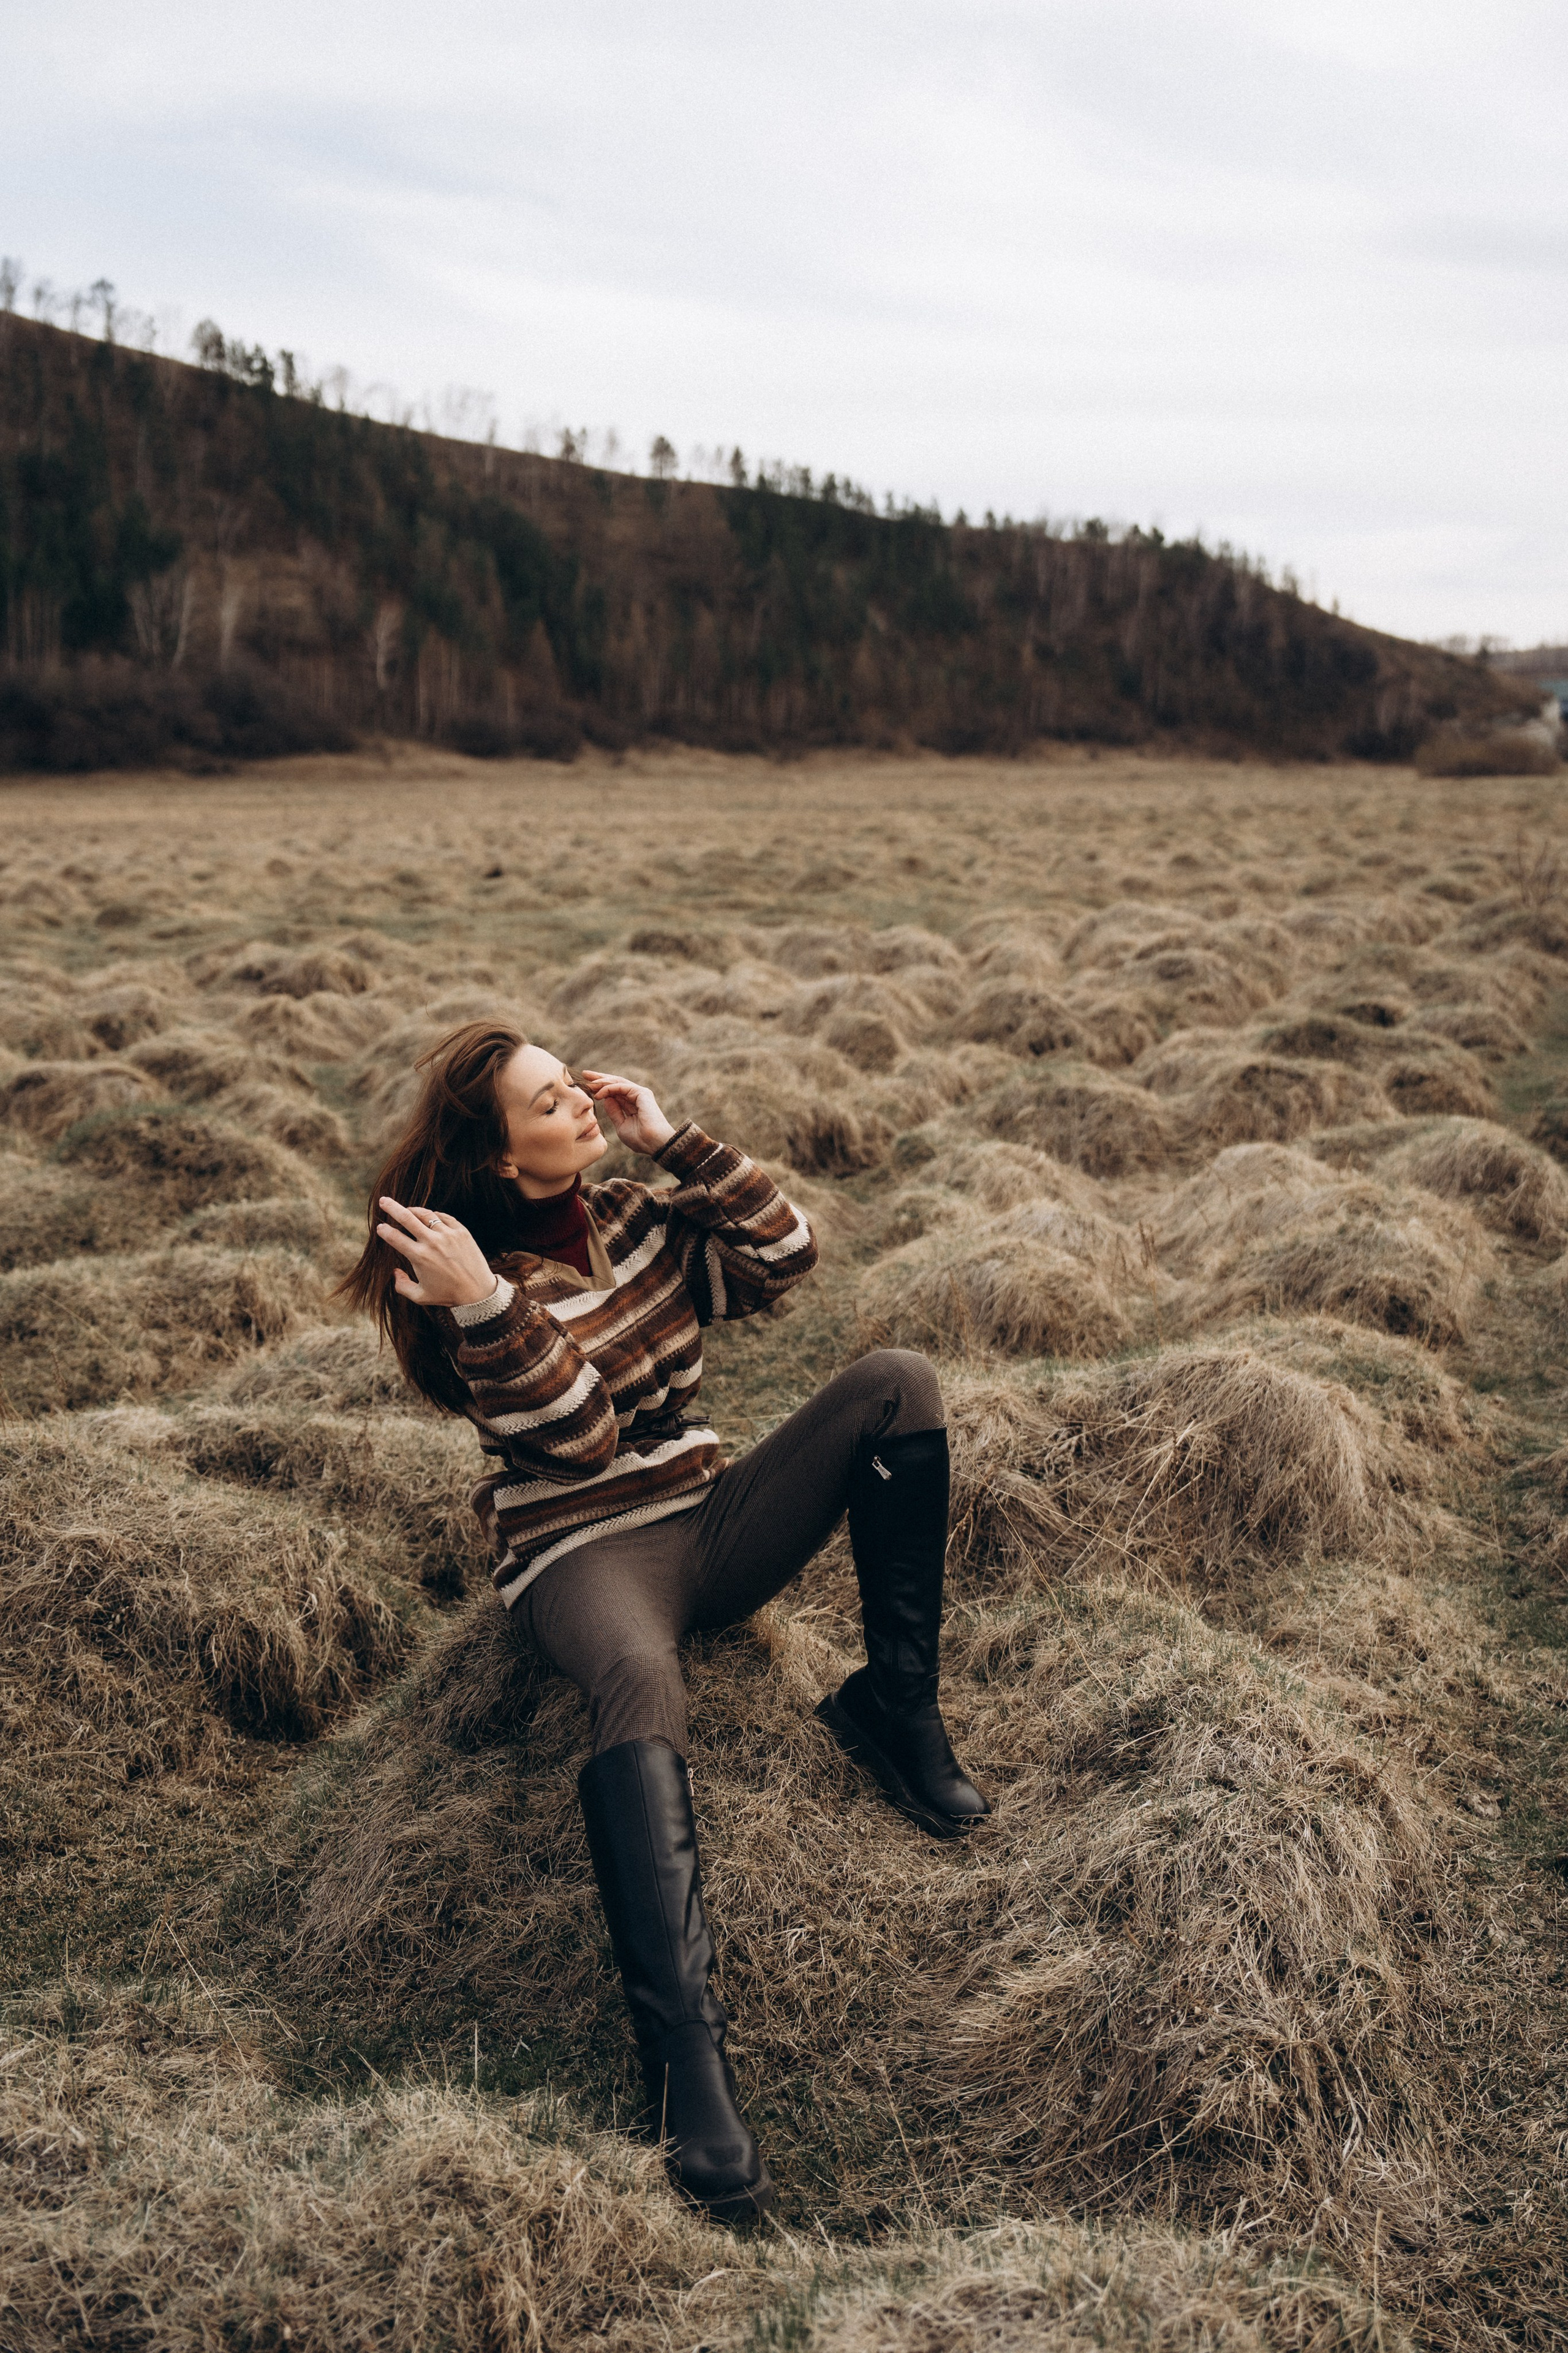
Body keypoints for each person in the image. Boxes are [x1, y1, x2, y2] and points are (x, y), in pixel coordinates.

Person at [341, 1021, 988, 2223]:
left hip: (707, 1513)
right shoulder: (461, 1279)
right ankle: (684, 2062)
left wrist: (674, 1140)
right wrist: (486, 1303)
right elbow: (578, 1436)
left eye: (573, 1087)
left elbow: (788, 1258)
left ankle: (891, 1709)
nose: (581, 1105)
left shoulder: (638, 1215)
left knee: (897, 1379)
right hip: (583, 1547)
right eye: (553, 1102)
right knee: (640, 1678)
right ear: (498, 1155)